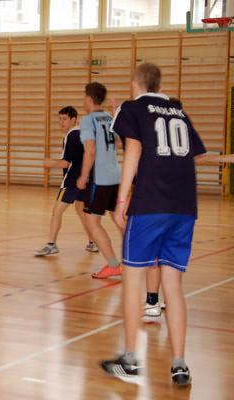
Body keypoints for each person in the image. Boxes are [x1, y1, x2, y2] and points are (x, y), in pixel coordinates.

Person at [101, 63, 234, 385]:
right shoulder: (178, 112)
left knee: (132, 280)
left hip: (150, 204)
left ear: (134, 83)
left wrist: (121, 201)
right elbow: (190, 155)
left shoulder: (133, 108)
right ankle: (179, 364)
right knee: (173, 286)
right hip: (184, 206)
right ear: (159, 85)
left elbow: (133, 149)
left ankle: (130, 359)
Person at [35, 106, 98, 256]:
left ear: (73, 119)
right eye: (60, 119)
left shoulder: (71, 136)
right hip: (87, 179)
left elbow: (65, 163)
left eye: (65, 119)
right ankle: (92, 242)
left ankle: (51, 244)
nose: (61, 122)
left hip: (72, 181)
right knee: (81, 210)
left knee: (57, 211)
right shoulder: (84, 134)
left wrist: (49, 163)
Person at [77, 82, 123, 279]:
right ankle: (135, 259)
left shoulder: (88, 120)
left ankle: (113, 265)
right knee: (119, 219)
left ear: (89, 99)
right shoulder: (110, 117)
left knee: (92, 222)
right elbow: (118, 144)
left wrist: (83, 176)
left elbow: (90, 151)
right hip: (116, 175)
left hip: (100, 178)